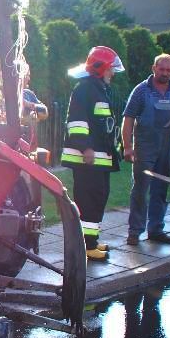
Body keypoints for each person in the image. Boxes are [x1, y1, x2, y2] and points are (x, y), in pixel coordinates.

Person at [121, 53, 170, 245]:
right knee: (140, 190)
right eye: (161, 69)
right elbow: (128, 118)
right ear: (153, 68)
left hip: (167, 146)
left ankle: (156, 230)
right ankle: (134, 232)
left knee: (161, 189)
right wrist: (128, 147)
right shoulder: (141, 91)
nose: (164, 73)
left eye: (168, 70)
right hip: (145, 147)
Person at [60, 46, 125, 261]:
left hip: (98, 160)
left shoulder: (96, 88)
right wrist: (85, 147)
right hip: (88, 159)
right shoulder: (85, 89)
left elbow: (101, 126)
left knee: (97, 198)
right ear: (101, 68)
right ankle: (87, 246)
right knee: (88, 200)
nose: (113, 74)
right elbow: (77, 123)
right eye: (110, 69)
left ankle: (91, 242)